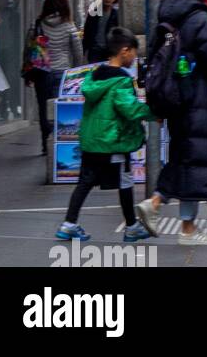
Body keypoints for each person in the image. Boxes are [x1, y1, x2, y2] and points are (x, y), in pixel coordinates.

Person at [136, 0, 207, 246]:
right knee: (196, 158)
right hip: (194, 96)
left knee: (184, 155)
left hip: (172, 96)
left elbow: (152, 56)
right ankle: (169, 212)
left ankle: (181, 220)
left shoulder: (166, 14)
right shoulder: (200, 17)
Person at [57, 27, 153, 244]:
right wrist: (151, 112)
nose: (134, 58)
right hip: (113, 141)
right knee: (125, 180)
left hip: (92, 141)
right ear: (125, 51)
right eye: (134, 53)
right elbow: (128, 109)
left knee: (85, 181)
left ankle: (69, 224)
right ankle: (132, 227)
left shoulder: (94, 75)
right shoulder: (121, 80)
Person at [25, 0, 83, 155]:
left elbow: (28, 49)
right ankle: (59, 142)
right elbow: (78, 50)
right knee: (60, 108)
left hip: (42, 72)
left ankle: (45, 143)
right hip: (62, 73)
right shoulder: (69, 25)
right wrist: (76, 72)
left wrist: (28, 73)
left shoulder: (37, 24)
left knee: (43, 108)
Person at [81, 0, 120, 65]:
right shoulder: (94, 13)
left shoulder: (116, 14)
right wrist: (84, 50)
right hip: (95, 51)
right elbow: (87, 32)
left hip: (109, 52)